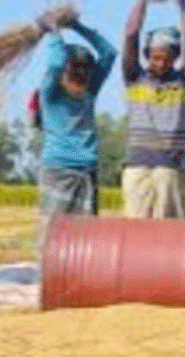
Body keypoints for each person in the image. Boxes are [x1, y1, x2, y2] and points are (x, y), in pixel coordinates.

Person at [36, 13, 117, 248]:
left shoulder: (89, 91)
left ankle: (80, 279)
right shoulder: (51, 94)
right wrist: (54, 33)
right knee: (53, 231)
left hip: (87, 170)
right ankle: (50, 276)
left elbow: (109, 53)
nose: (81, 72)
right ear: (65, 69)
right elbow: (54, 63)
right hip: (58, 169)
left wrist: (78, 26)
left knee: (86, 235)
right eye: (75, 67)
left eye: (85, 68)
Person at [121, 0, 185, 219]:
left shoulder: (184, 82)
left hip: (172, 166)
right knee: (136, 228)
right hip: (138, 164)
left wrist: (183, 1)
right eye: (155, 58)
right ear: (147, 56)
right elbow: (131, 34)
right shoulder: (135, 78)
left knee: (170, 230)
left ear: (175, 57)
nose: (161, 63)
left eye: (167, 58)